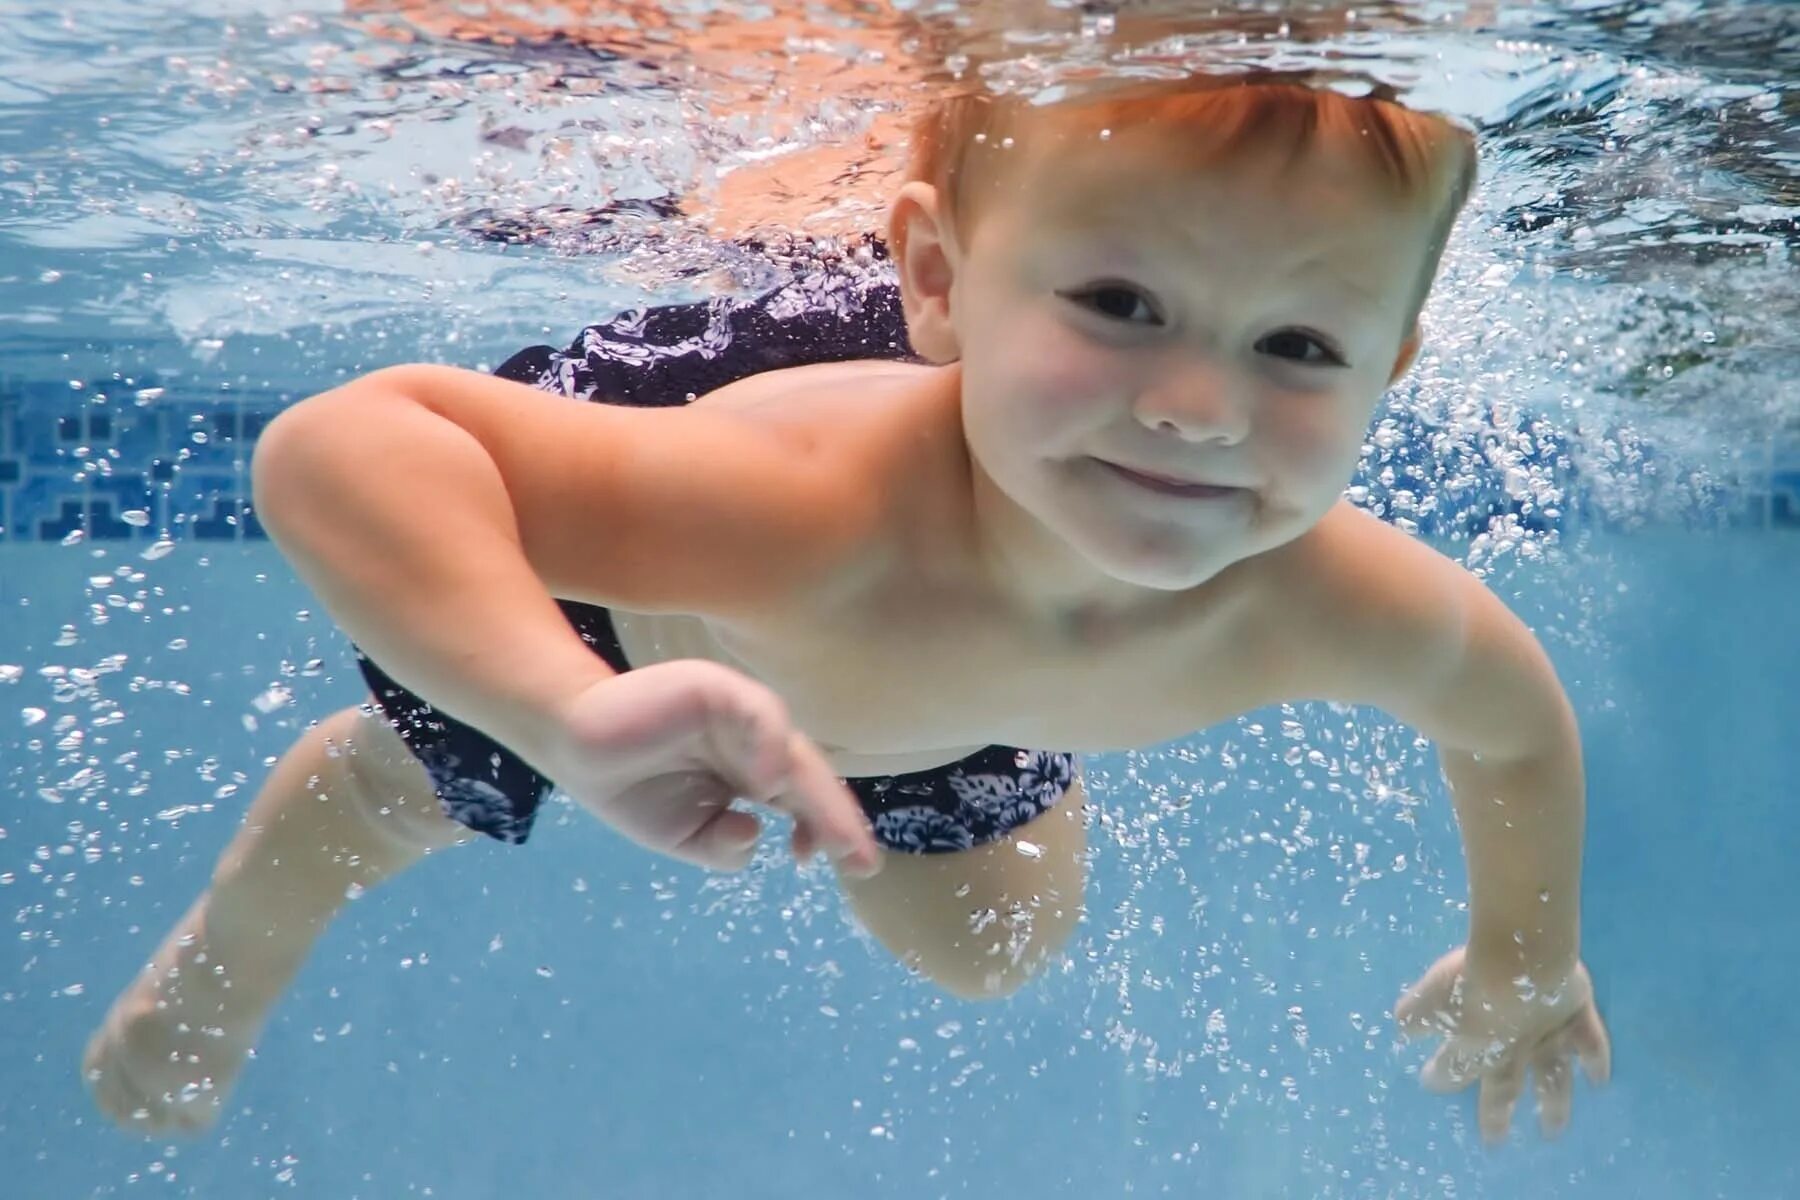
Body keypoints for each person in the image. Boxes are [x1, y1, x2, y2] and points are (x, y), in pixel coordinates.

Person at [84, 70, 1612, 1145]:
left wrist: (1526, 954)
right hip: (640, 628)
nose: (1203, 410)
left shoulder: (1330, 598)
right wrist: (566, 707)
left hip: (928, 667)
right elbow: (344, 445)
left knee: (997, 947)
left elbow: (1513, 728)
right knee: (416, 784)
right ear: (936, 284)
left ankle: (987, 716)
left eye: (1299, 347)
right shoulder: (786, 512)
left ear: (1390, 374)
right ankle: (231, 954)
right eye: (1121, 305)